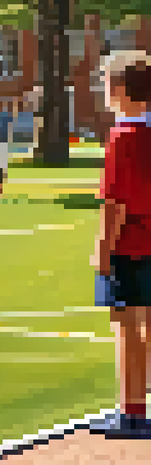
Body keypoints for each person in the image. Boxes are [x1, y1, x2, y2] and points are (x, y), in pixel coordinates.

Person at [89, 53, 151, 439]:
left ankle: (132, 412)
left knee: (127, 327)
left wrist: (102, 251)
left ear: (122, 89)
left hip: (129, 245)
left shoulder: (122, 138)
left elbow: (114, 203)